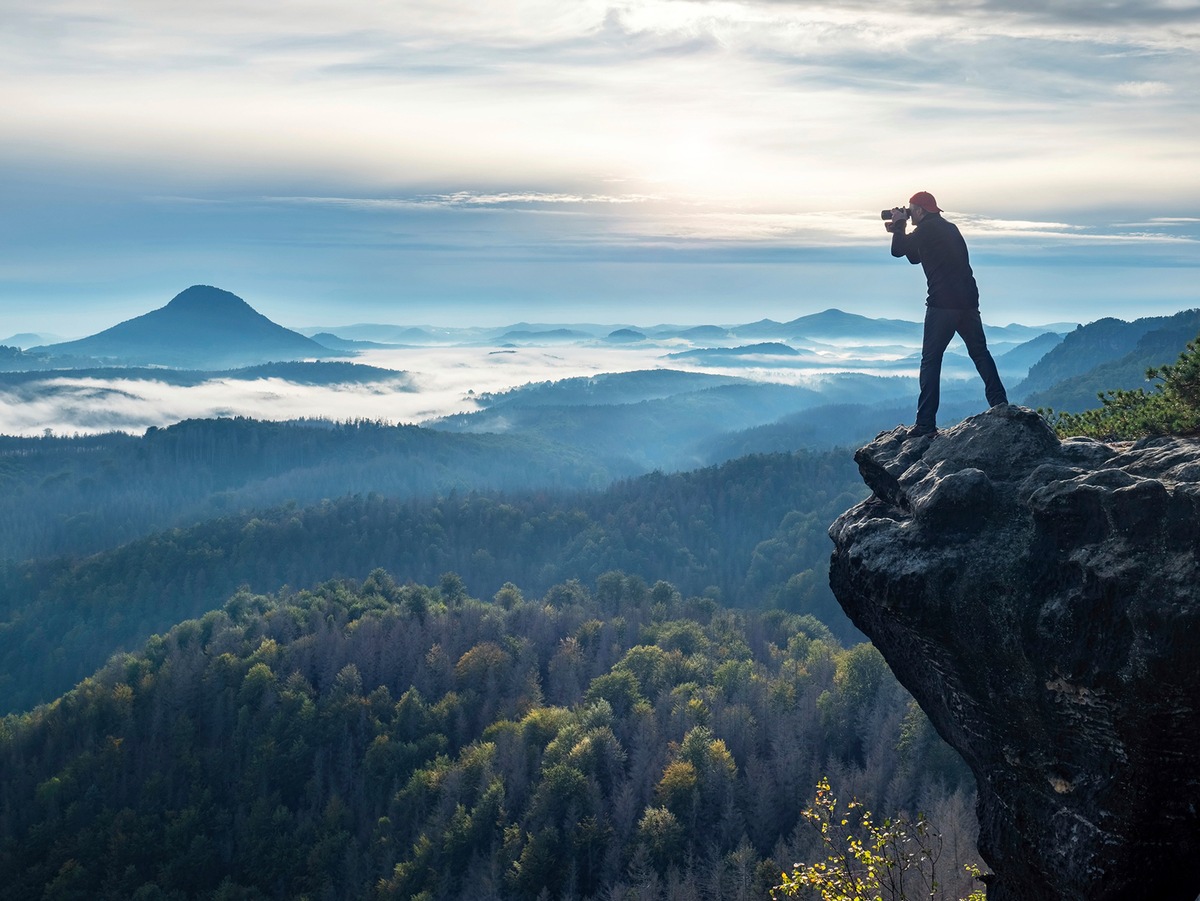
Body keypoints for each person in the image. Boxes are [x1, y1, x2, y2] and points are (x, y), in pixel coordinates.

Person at [887, 191, 1007, 438]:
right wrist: (902, 230)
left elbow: (898, 252)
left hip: (942, 305)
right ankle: (1001, 405)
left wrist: (900, 225)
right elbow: (914, 257)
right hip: (968, 302)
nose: (909, 213)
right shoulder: (950, 228)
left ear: (920, 211)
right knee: (980, 353)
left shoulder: (925, 230)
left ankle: (925, 424)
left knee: (931, 361)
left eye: (911, 210)